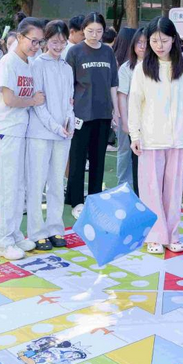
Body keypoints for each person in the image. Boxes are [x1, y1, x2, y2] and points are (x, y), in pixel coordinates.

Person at [129, 17, 183, 255]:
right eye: (154, 41)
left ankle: (172, 234)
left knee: (174, 189)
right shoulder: (142, 68)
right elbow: (134, 104)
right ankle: (155, 235)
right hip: (150, 138)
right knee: (151, 189)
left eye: (164, 40)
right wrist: (135, 135)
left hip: (179, 137)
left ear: (174, 40)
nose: (159, 45)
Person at [0, 18, 46, 259]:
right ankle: (1, 241)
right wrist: (33, 101)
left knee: (17, 185)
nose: (36, 46)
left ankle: (13, 234)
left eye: (39, 42)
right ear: (20, 37)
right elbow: (9, 99)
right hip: (4, 129)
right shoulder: (8, 62)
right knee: (5, 186)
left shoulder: (28, 63)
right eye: (33, 41)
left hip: (19, 130)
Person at [26, 20, 75, 251]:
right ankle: (37, 232)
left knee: (57, 183)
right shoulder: (37, 65)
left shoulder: (67, 67)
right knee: (37, 184)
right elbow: (38, 103)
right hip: (40, 134)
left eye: (62, 42)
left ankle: (56, 228)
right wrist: (56, 126)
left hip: (63, 135)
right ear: (46, 41)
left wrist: (70, 122)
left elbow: (69, 101)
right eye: (55, 42)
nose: (59, 46)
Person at [65, 13, 119, 218]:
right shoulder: (75, 52)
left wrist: (116, 111)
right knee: (78, 159)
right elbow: (68, 85)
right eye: (90, 31)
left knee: (98, 159)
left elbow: (113, 84)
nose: (94, 35)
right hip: (81, 114)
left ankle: (95, 197)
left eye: (99, 31)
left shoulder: (108, 52)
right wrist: (68, 112)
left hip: (103, 114)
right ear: (83, 30)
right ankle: (76, 201)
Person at [116, 29, 146, 192]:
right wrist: (125, 121)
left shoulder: (156, 66)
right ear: (133, 45)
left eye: (146, 43)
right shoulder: (126, 68)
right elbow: (122, 96)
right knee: (125, 152)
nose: (142, 47)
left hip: (149, 121)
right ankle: (124, 188)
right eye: (139, 43)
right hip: (129, 118)